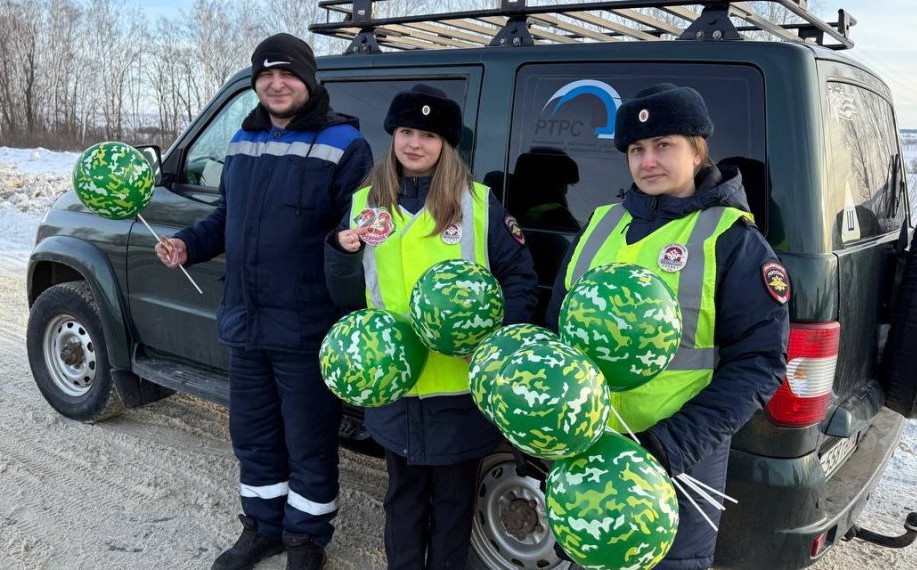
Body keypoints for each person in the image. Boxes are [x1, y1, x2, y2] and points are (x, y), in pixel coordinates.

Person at [545, 83, 790, 569]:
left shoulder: (732, 240)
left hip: (678, 455)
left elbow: (759, 363)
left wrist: (671, 445)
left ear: (697, 151)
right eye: (637, 149)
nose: (648, 161)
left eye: (664, 146)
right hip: (588, 447)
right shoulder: (599, 225)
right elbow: (559, 329)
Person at [154, 33, 373, 570]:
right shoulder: (242, 141)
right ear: (256, 83)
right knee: (253, 437)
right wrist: (189, 242)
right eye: (266, 75)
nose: (277, 84)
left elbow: (358, 235)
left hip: (307, 325)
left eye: (288, 74)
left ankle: (305, 541)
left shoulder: (345, 144)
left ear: (308, 80)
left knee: (309, 442)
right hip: (246, 321)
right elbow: (227, 219)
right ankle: (262, 528)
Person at [323, 84, 538, 569]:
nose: (414, 143)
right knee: (402, 500)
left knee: (453, 505)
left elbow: (521, 282)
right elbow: (344, 296)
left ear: (446, 144)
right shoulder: (364, 206)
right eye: (405, 131)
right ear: (392, 136)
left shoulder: (480, 205)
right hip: (396, 388)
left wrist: (493, 344)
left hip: (459, 391)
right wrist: (339, 251)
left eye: (428, 134)